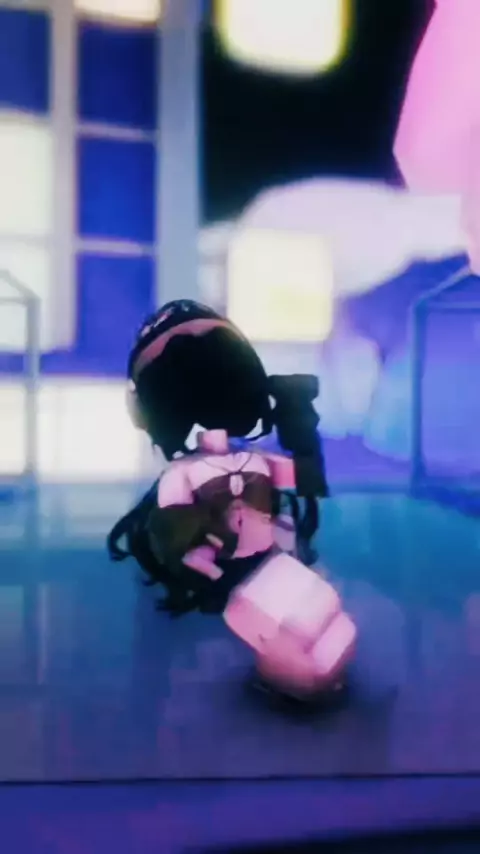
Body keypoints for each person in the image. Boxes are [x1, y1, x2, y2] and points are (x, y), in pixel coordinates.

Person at [107, 299, 329, 617]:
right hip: (225, 563)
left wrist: (298, 424)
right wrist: (299, 425)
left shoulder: (247, 463)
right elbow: (306, 476)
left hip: (264, 560)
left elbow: (305, 477)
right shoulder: (190, 474)